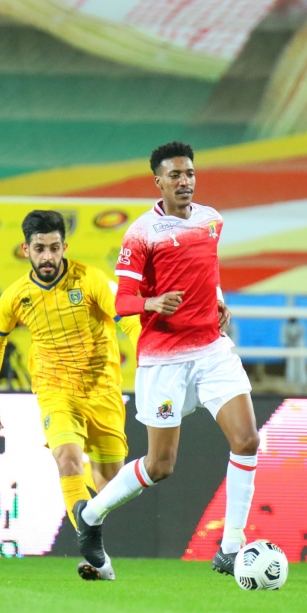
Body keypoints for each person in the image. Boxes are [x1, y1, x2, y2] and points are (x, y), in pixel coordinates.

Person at [72, 141, 260, 577]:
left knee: (247, 440)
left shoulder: (212, 221)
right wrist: (151, 302)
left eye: (190, 174)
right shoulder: (141, 234)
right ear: (157, 181)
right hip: (164, 359)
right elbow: (121, 302)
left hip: (212, 350)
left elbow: (206, 269)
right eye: (175, 175)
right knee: (160, 466)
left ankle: (231, 547)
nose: (184, 181)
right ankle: (91, 516)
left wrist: (217, 299)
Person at [0, 210, 140, 581]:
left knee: (111, 487)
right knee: (65, 457)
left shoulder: (90, 280)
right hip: (55, 390)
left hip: (102, 390)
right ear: (26, 250)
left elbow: (126, 315)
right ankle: (96, 552)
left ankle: (95, 545)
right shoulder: (17, 296)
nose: (48, 256)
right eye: (40, 249)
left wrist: (147, 354)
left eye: (54, 247)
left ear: (64, 246)